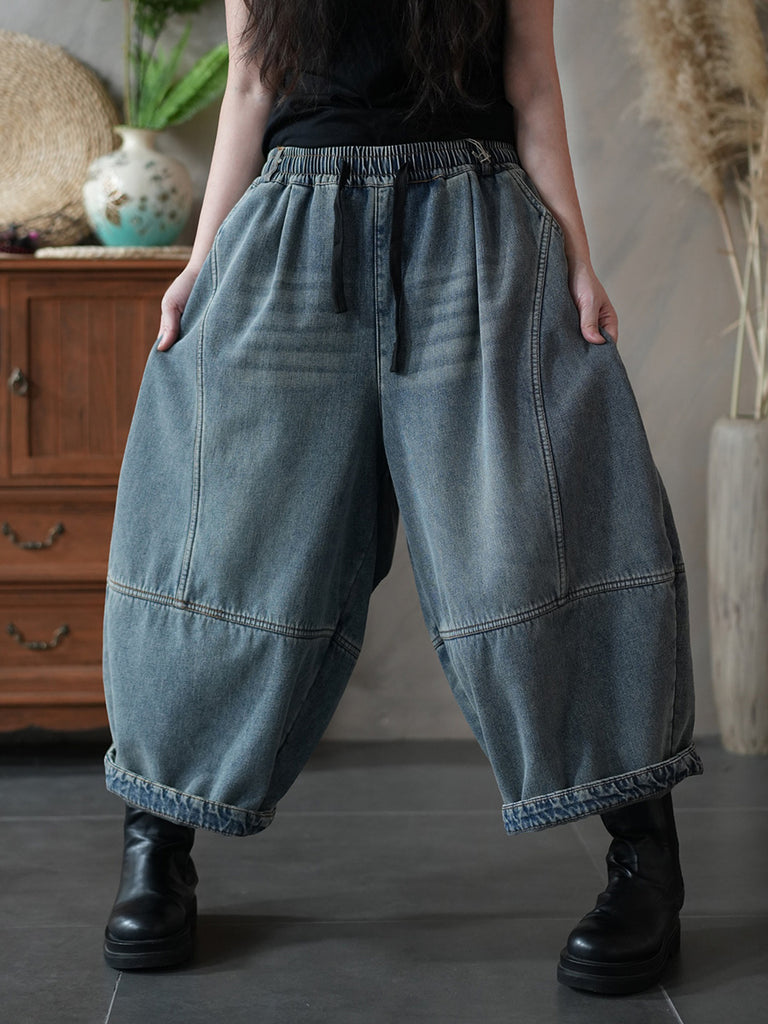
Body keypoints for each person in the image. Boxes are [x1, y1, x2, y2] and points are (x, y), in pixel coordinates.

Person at [101, 0, 703, 995]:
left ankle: (645, 856)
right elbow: (250, 84)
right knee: (220, 533)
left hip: (475, 223)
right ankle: (156, 845)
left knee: (537, 528)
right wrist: (201, 262)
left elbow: (531, 80)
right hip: (293, 227)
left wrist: (577, 257)